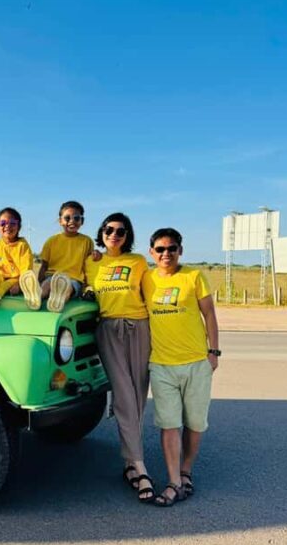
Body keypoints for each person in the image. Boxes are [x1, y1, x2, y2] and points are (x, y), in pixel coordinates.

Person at [143, 227, 219, 507]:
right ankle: (174, 482)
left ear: (180, 251)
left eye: (171, 248)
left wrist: (213, 352)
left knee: (195, 423)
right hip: (162, 365)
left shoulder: (193, 276)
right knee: (169, 424)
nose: (166, 253)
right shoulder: (146, 278)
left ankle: (186, 471)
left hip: (196, 363)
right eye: (160, 249)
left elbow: (209, 313)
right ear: (152, 252)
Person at [83, 212, 155, 503]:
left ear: (127, 236)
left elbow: (150, 296)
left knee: (137, 397)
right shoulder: (92, 261)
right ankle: (141, 466)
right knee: (124, 395)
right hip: (109, 329)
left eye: (120, 231)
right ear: (102, 232)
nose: (114, 235)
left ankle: (129, 465)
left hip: (139, 326)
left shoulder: (137, 262)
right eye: (109, 229)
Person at [19, 200, 94, 312]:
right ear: (60, 221)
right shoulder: (51, 241)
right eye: (67, 218)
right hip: (52, 276)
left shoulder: (87, 241)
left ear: (82, 221)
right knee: (47, 285)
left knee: (68, 288)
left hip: (74, 280)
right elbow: (44, 266)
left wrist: (87, 287)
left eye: (76, 218)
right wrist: (39, 282)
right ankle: (37, 297)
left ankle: (58, 299)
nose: (72, 221)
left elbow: (87, 266)